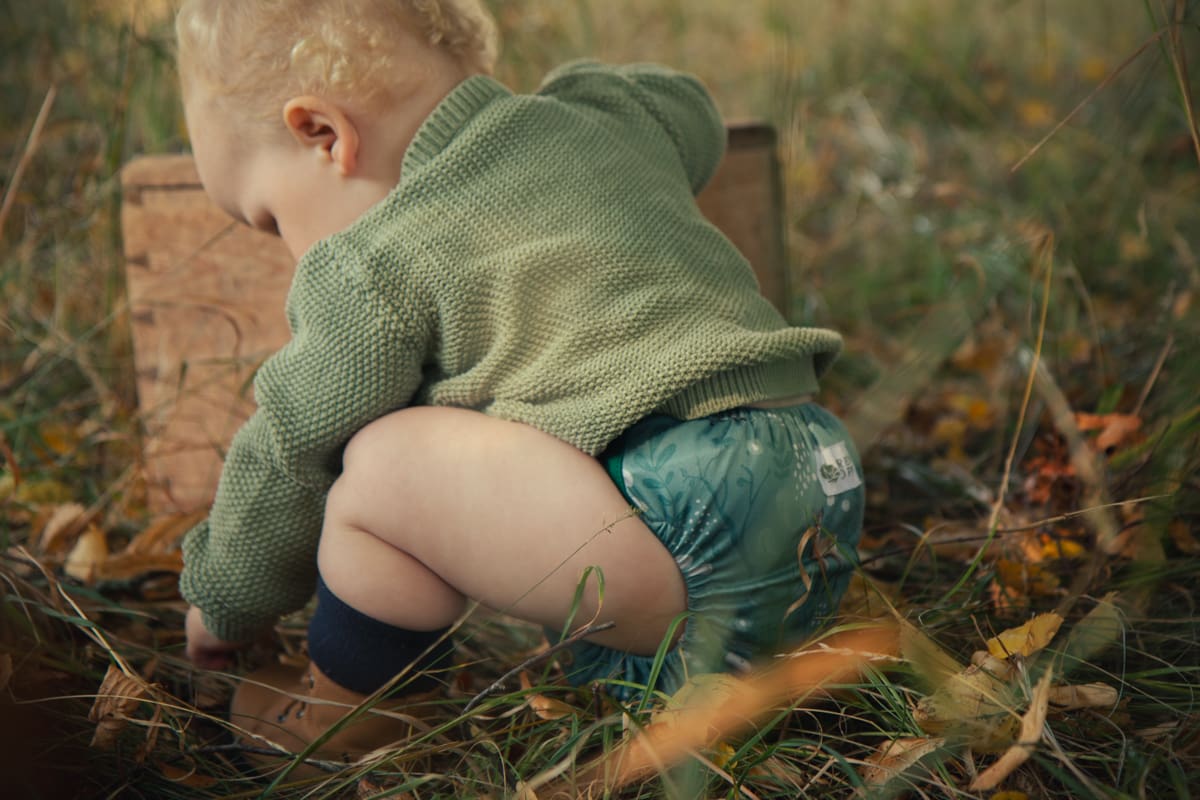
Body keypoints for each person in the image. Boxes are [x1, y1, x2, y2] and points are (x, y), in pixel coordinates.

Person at [175, 0, 864, 766]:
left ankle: (352, 719)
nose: (285, 251)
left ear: (323, 133)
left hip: (684, 513)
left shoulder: (372, 262)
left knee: (379, 467)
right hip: (818, 486)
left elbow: (290, 447)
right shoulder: (604, 116)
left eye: (269, 220)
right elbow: (686, 105)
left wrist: (226, 600)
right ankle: (705, 678)